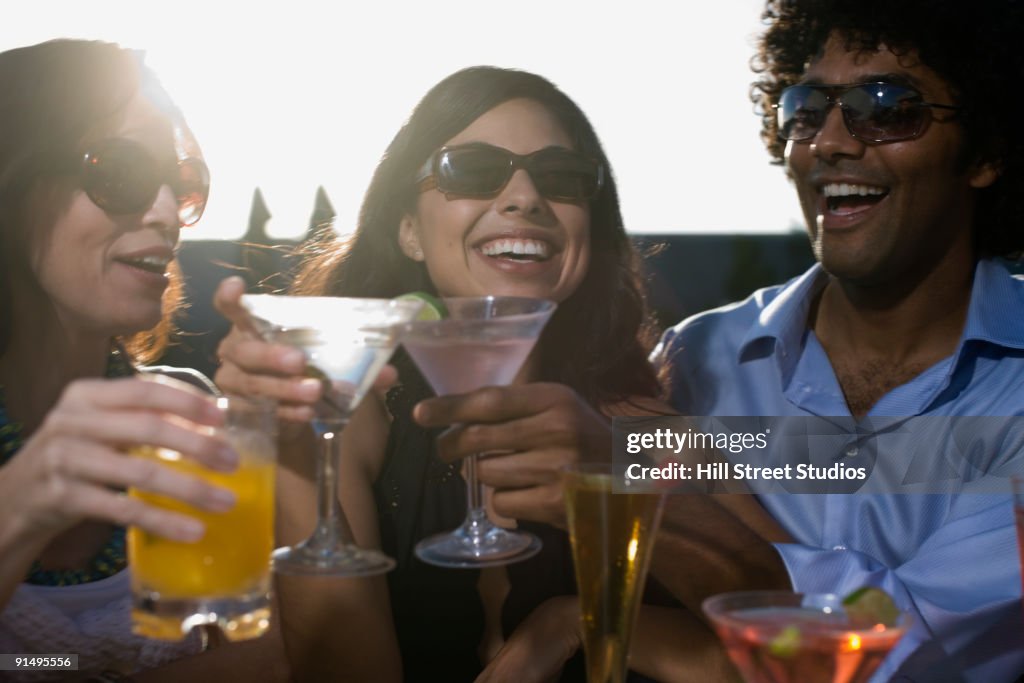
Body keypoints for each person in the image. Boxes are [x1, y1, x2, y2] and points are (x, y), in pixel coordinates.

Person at [215, 66, 731, 681]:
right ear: (409, 230)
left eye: (562, 178)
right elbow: (346, 668)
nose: (524, 198)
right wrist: (292, 445)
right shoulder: (361, 414)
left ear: (589, 233)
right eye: (473, 169)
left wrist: (571, 621)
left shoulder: (649, 426)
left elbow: (788, 631)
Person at [654, 0, 1024, 680]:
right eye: (805, 108)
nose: (830, 141)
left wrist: (692, 496)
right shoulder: (695, 357)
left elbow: (906, 658)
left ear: (988, 151)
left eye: (886, 106)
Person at [0, 39, 287, 681]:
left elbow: (267, 655)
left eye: (181, 183)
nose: (165, 213)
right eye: (120, 168)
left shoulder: (185, 416)